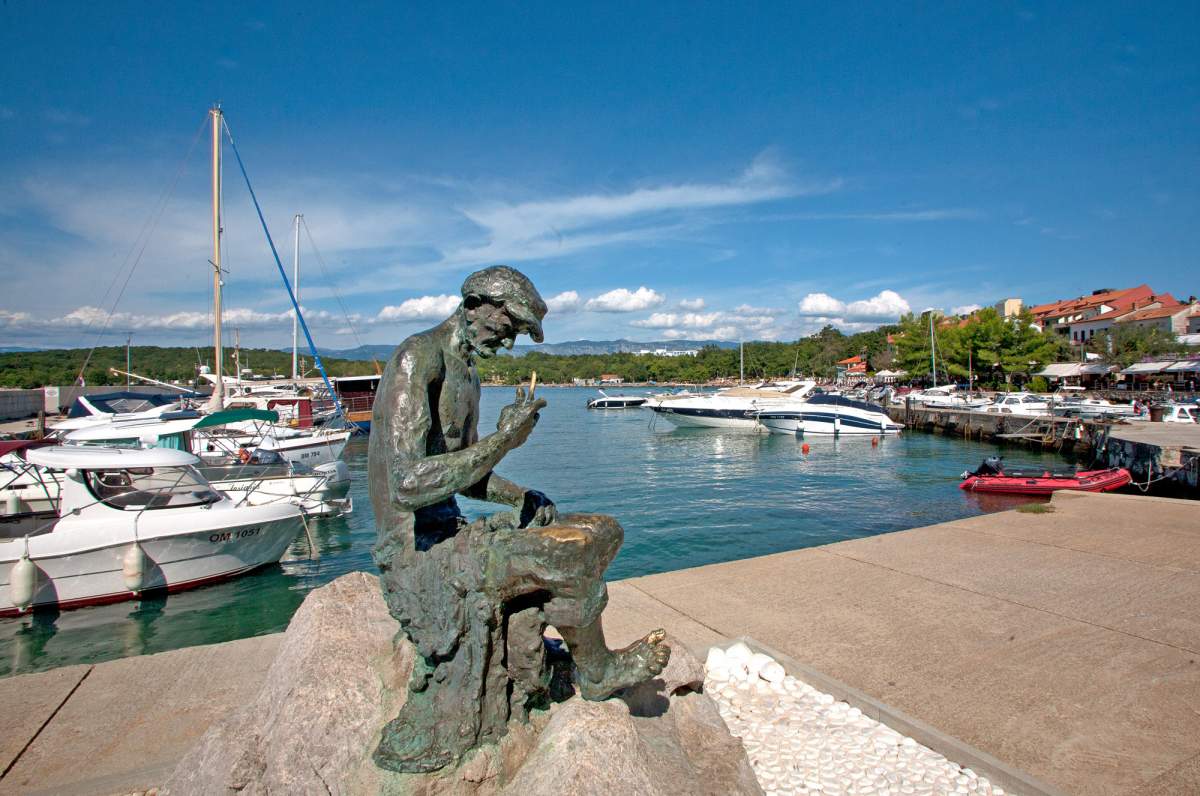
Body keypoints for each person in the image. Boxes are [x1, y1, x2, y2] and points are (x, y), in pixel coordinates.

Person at [368, 265, 669, 773]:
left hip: (453, 531)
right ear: (476, 304)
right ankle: (596, 672)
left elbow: (464, 475)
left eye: (514, 336)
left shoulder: (467, 373)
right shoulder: (417, 358)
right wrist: (504, 441)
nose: (507, 343)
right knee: (569, 552)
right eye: (506, 329)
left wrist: (519, 495)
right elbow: (407, 485)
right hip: (419, 554)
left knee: (601, 530)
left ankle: (565, 652)